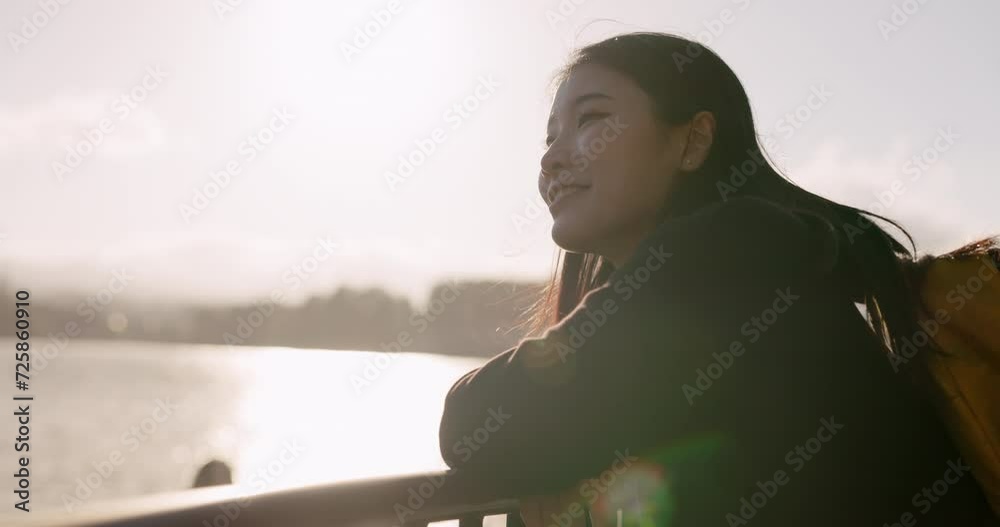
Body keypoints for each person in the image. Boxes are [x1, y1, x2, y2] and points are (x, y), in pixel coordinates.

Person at [436, 32, 998, 526]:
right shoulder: (766, 259)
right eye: (549, 137)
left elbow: (483, 425)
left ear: (693, 142)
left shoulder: (736, 251)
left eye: (592, 120)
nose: (553, 158)